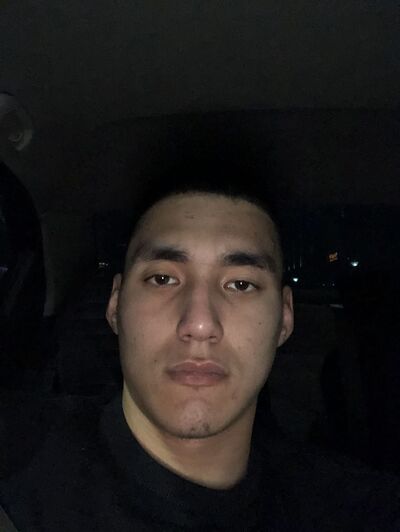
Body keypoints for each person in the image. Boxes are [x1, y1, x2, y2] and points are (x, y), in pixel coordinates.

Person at [0, 159, 399, 531]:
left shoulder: (355, 507)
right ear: (115, 305)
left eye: (240, 284)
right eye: (162, 279)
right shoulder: (19, 466)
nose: (200, 324)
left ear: (285, 319)